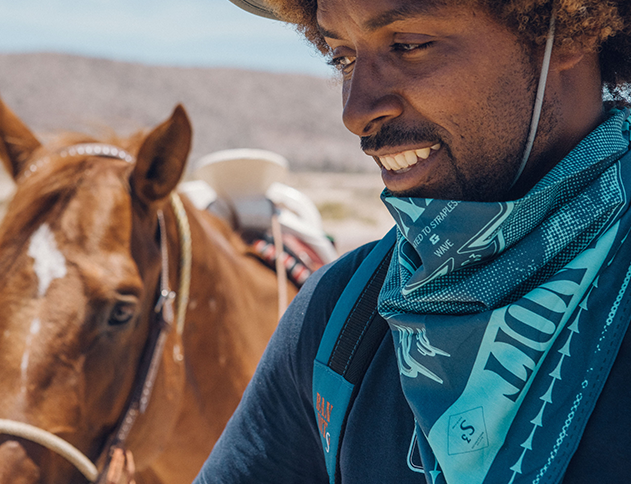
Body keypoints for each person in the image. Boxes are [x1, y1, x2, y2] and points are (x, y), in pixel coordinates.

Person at [195, 0, 631, 482]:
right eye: (342, 58)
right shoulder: (340, 318)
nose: (356, 111)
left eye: (409, 46)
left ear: (568, 32)